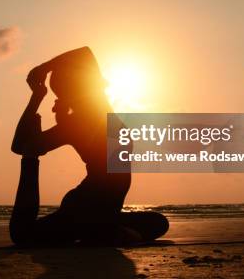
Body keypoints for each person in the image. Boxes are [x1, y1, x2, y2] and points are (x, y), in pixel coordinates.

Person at [9, 47, 168, 247]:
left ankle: (102, 229)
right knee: (157, 223)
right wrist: (40, 97)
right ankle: (105, 230)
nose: (56, 103)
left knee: (159, 222)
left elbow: (84, 52)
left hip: (90, 210)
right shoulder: (93, 119)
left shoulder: (82, 122)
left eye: (60, 96)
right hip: (90, 209)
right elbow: (19, 147)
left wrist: (40, 84)